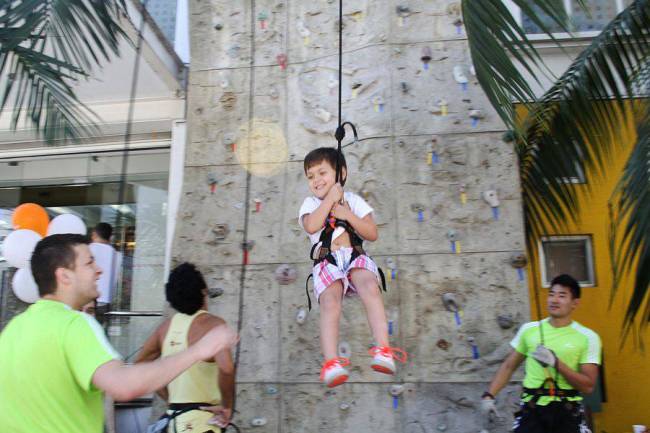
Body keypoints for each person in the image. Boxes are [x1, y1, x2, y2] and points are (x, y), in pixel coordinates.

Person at [0, 234, 238, 433]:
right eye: (89, 263)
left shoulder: (13, 330)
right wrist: (201, 349)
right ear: (64, 276)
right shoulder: (74, 324)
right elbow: (124, 386)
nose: (99, 270)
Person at [299, 147, 406, 387]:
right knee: (330, 300)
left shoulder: (354, 201)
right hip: (328, 260)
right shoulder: (310, 204)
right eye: (311, 176)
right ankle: (331, 362)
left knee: (369, 285)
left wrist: (347, 213)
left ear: (341, 173)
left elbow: (372, 233)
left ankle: (383, 349)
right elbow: (312, 225)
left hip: (354, 256)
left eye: (322, 173)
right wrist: (329, 200)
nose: (316, 180)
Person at [480, 274, 601, 433]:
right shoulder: (529, 330)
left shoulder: (587, 337)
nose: (554, 299)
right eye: (551, 294)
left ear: (575, 303)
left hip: (567, 411)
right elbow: (509, 366)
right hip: (532, 410)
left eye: (562, 295)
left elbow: (588, 386)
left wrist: (556, 363)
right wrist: (490, 395)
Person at [135, 262, 235, 432]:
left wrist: (170, 398)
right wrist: (227, 407)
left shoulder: (164, 329)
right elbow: (226, 369)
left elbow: (141, 364)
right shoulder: (214, 325)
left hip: (174, 421)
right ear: (203, 292)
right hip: (203, 423)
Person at [89, 222, 122, 325]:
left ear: (94, 234)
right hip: (107, 302)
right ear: (110, 237)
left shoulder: (88, 249)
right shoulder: (117, 255)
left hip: (88, 300)